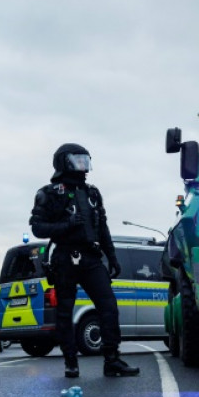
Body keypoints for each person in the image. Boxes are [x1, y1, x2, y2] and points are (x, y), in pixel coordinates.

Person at [30, 143, 139, 378]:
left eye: (85, 160)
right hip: (64, 257)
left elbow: (104, 228)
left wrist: (112, 258)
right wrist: (66, 225)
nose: (83, 165)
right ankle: (70, 361)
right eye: (77, 160)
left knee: (109, 306)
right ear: (64, 162)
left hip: (91, 257)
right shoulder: (47, 193)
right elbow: (37, 227)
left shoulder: (92, 193)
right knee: (65, 311)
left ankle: (112, 360)